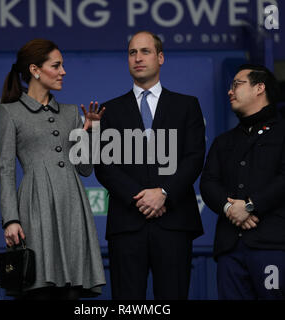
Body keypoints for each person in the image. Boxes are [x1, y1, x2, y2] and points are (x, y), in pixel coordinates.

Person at [94, 31, 206, 300]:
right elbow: (104, 166)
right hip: (127, 223)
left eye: (145, 51)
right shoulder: (109, 110)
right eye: (132, 52)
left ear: (160, 57)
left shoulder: (187, 105)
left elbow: (194, 158)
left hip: (174, 221)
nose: (138, 58)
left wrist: (163, 193)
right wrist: (141, 199)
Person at [0, 39, 106, 300]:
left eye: (63, 66)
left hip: (73, 206)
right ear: (35, 70)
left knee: (72, 291)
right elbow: (6, 169)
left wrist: (92, 130)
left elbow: (86, 168)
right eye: (56, 66)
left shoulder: (70, 113)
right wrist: (11, 219)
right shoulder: (9, 112)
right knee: (40, 290)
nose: (63, 72)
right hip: (36, 207)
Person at [200, 64, 285, 300]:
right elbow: (208, 183)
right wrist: (231, 208)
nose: (230, 92)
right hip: (230, 247)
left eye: (237, 85)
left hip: (274, 244)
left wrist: (249, 206)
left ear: (260, 87)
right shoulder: (224, 141)